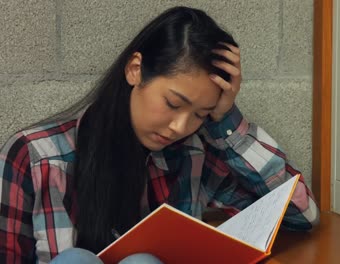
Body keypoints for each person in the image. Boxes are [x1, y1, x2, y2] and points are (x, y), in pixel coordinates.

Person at [0, 6, 319, 264]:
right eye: (173, 103)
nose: (180, 127)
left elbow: (300, 214)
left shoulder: (192, 154)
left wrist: (226, 122)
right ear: (135, 69)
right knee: (76, 261)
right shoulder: (35, 155)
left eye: (200, 114)